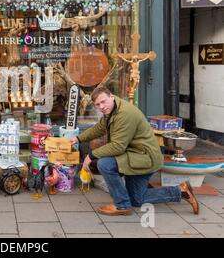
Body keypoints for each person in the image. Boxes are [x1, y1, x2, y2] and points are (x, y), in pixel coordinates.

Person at [70, 86, 199, 216]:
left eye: (103, 101)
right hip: (133, 155)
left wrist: (90, 156)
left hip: (145, 157)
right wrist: (78, 138)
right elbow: (99, 128)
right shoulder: (113, 109)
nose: (102, 106)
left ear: (111, 97)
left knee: (105, 164)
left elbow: (118, 146)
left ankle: (122, 205)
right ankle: (181, 191)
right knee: (137, 199)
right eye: (98, 104)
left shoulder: (124, 113)